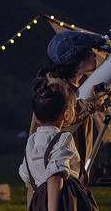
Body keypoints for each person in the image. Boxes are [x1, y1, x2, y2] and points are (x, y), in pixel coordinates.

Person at [28, 31, 109, 164]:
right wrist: (90, 104)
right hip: (52, 166)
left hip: (74, 164)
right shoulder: (53, 88)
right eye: (89, 53)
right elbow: (64, 117)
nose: (94, 55)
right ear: (78, 61)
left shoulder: (84, 82)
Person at [19, 77, 91, 211]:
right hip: (61, 202)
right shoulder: (63, 138)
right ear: (66, 114)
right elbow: (55, 176)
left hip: (39, 203)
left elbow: (25, 174)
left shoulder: (32, 140)